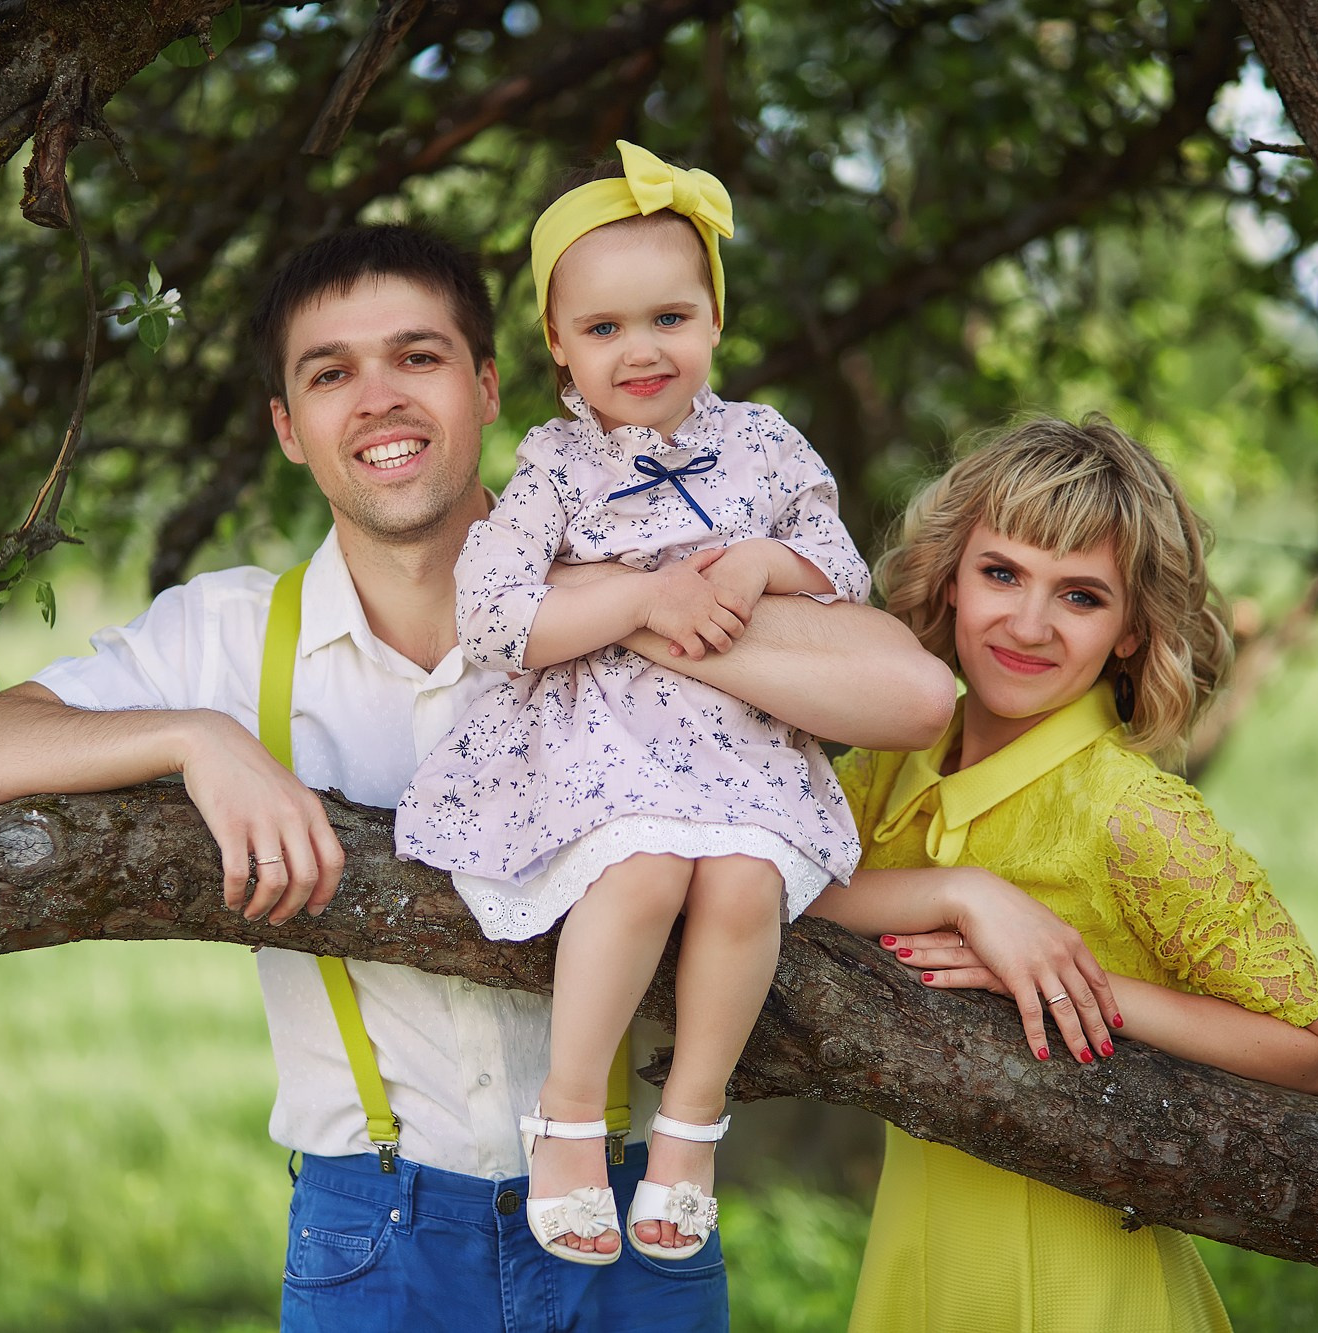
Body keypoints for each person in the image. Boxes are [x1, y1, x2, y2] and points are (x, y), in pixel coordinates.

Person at [0, 222, 959, 1332]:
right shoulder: (227, 639)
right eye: (329, 372)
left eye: (416, 356)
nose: (377, 399)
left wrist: (634, 617)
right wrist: (195, 740)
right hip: (373, 1235)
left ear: (492, 384)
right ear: (288, 429)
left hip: (634, 1213)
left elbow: (908, 693)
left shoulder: (634, 566)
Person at [395, 141, 925, 1270]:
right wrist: (640, 598)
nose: (639, 350)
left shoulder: (764, 441)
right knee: (641, 870)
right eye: (602, 330)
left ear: (713, 324)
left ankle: (690, 1123)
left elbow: (837, 565)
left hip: (735, 748)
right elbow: (493, 615)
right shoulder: (550, 465)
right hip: (602, 741)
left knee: (738, 879)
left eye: (668, 318)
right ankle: (570, 1116)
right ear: (555, 346)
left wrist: (751, 569)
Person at [804, 416, 1318, 1332]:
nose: (1028, 623)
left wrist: (1088, 988)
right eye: (1003, 573)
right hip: (917, 1269)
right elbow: (765, 882)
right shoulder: (888, 766)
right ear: (950, 577)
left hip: (1091, 1286)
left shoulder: (1134, 814)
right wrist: (962, 892)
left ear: (1133, 631)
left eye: (1082, 596)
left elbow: (1317, 1049)